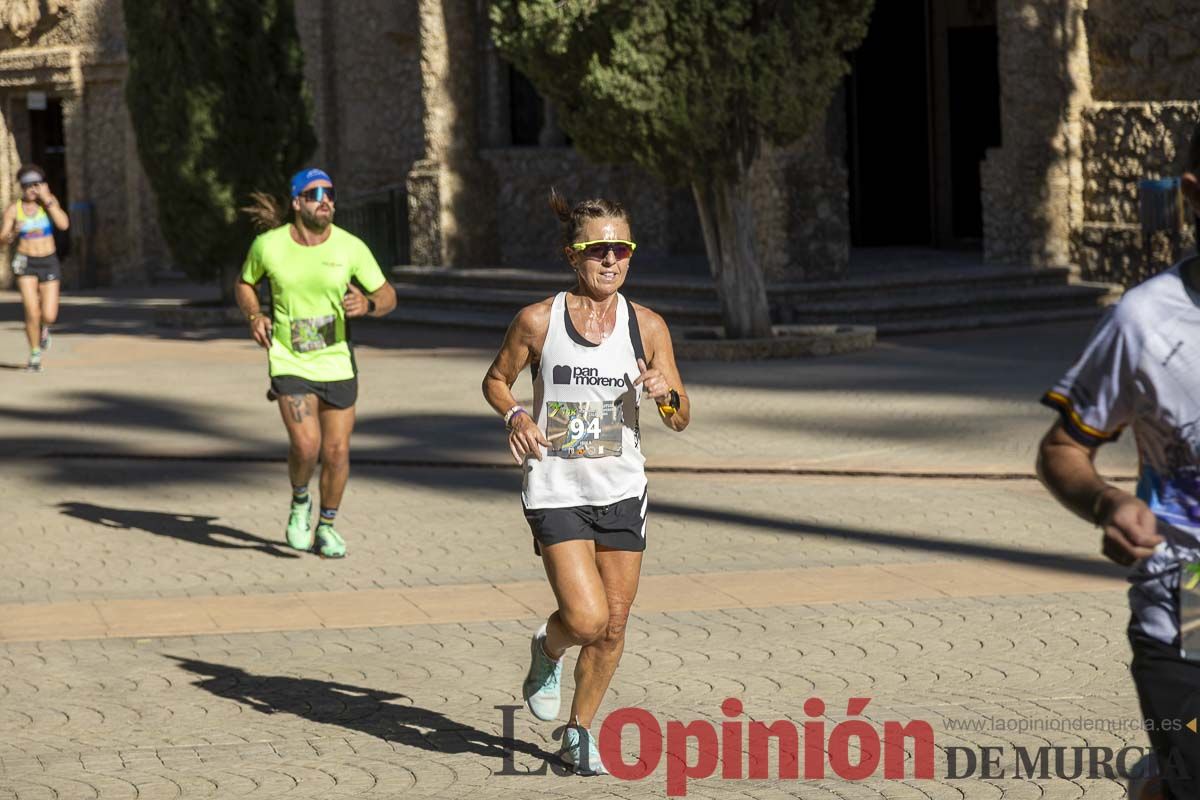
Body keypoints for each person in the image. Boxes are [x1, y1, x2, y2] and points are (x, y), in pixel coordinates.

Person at [482, 189, 690, 774]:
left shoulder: (646, 326)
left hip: (622, 488)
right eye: (597, 250)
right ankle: (547, 649)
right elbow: (496, 380)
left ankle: (579, 730)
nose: (610, 260)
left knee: (615, 624)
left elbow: (680, 416)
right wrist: (517, 414)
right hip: (557, 488)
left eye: (620, 248)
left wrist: (665, 394)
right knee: (584, 618)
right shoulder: (537, 320)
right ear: (572, 256)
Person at [1038, 124, 1200, 800]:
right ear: (1195, 196)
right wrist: (1110, 503)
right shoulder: (1144, 322)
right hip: (1184, 613)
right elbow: (1062, 448)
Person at [235, 168, 397, 558]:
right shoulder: (268, 246)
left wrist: (369, 304)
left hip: (337, 361)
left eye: (330, 193)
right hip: (289, 358)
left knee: (337, 452)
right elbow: (245, 284)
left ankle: (326, 526)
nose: (325, 200)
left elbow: (388, 294)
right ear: (296, 203)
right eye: (314, 193)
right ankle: (300, 499)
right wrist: (255, 316)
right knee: (307, 446)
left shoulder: (350, 247)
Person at [1, 164, 69, 372]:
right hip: (26, 262)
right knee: (31, 311)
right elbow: (3, 239)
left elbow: (64, 224)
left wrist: (48, 200)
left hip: (48, 260)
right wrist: (13, 232)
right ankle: (34, 353)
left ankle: (44, 328)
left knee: (49, 315)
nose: (32, 189)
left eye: (36, 185)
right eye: (28, 186)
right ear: (22, 187)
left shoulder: (47, 204)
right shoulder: (14, 209)